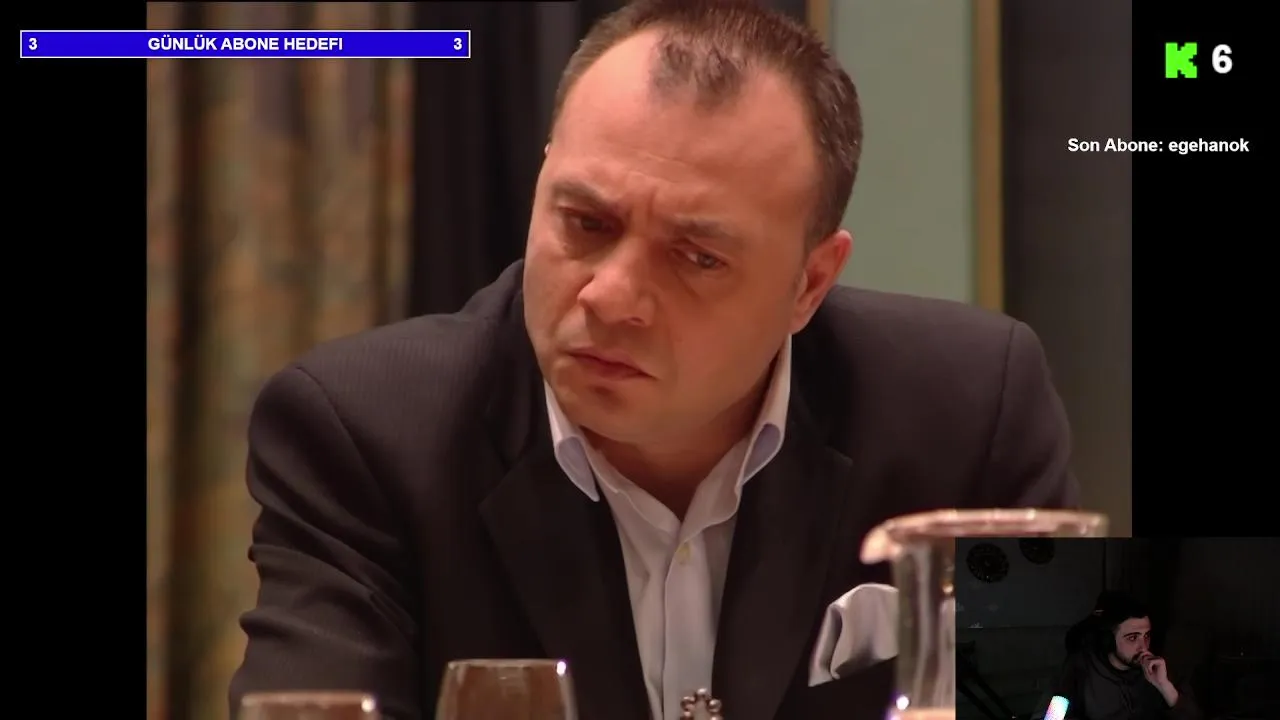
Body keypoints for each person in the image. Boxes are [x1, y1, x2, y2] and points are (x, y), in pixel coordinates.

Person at [228, 1, 1080, 718]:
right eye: (585, 224)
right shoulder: (366, 434)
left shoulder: (968, 410)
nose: (610, 297)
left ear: (809, 283)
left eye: (697, 257)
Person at [1050, 594, 1201, 720]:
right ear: (1108, 641)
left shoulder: (1158, 668)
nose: (1143, 647)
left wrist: (1164, 686)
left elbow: (1193, 717)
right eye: (1132, 638)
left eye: (1146, 636)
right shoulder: (1080, 666)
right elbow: (1053, 717)